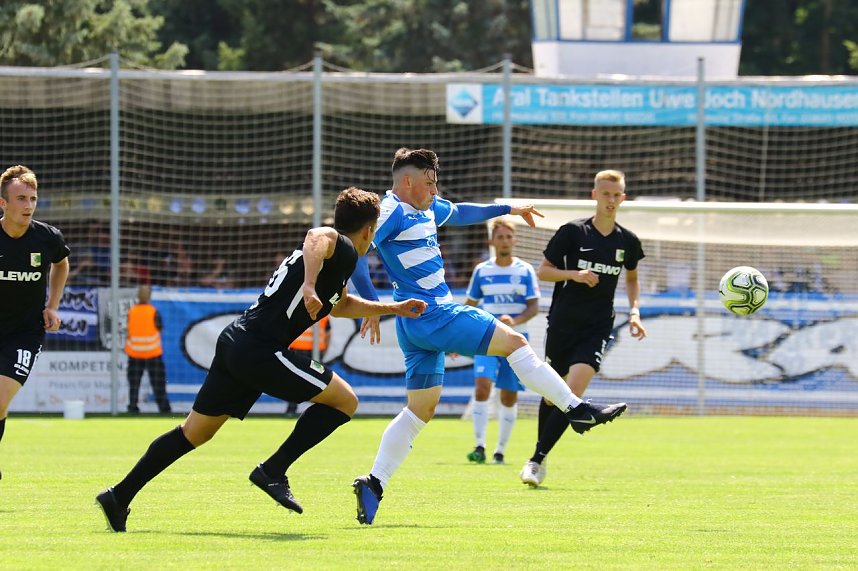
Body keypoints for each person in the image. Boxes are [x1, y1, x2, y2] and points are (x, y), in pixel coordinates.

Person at [95, 187, 426, 532]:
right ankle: (273, 470)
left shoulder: (337, 263)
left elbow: (341, 305)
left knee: (194, 432)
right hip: (260, 349)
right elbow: (317, 235)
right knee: (345, 401)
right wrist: (310, 286)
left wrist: (393, 308)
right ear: (369, 231)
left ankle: (119, 496)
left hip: (237, 343)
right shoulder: (340, 246)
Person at [349, 148, 628, 525]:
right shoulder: (391, 211)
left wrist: (508, 208)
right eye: (429, 183)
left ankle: (374, 483)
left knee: (419, 411)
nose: (435, 189)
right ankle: (576, 409)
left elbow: (463, 211)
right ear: (407, 182)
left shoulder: (426, 207)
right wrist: (368, 304)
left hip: (414, 323)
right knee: (516, 343)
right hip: (433, 312)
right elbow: (355, 249)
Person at [519, 169, 647, 488]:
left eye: (616, 195)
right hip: (563, 323)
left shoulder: (627, 241)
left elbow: (631, 279)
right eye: (605, 194)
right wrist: (575, 275)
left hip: (598, 326)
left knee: (573, 392)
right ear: (594, 195)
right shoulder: (573, 232)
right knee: (553, 397)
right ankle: (542, 455)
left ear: (623, 198)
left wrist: (634, 312)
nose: (611, 200)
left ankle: (535, 460)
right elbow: (543, 272)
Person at [0, 165, 70, 480]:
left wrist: (52, 306)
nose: (28, 205)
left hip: (25, 334)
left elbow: (61, 264)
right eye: (21, 199)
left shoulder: (47, 237)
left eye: (33, 198)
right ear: (3, 203)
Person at [463, 219, 540, 465]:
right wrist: (457, 336)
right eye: (500, 237)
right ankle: (479, 445)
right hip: (487, 337)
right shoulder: (482, 270)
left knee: (508, 396)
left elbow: (534, 306)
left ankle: (500, 450)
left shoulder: (525, 270)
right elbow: (470, 306)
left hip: (516, 340)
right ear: (491, 241)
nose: (505, 241)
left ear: (515, 240)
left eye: (509, 236)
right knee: (482, 387)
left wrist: (515, 320)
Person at [125, 285, 172, 414]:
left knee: (134, 385)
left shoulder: (131, 311)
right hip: (153, 353)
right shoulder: (153, 311)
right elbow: (160, 329)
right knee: (158, 384)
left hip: (134, 353)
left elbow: (128, 330)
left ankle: (132, 407)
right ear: (149, 297)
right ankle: (164, 409)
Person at [285, 315, 330, 415]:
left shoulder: (298, 311)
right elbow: (328, 333)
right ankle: (318, 410)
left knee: (294, 380)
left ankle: (291, 410)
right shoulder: (324, 313)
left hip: (301, 351)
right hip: (312, 353)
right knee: (319, 379)